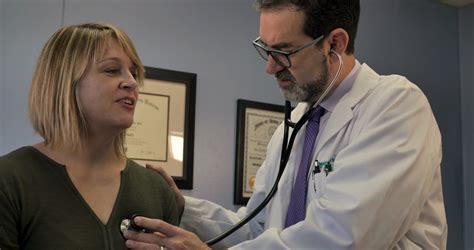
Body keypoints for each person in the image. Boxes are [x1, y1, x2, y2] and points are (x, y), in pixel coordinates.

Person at [124, 0, 448, 249]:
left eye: (283, 52)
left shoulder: (395, 105)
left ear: (334, 43)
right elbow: (258, 229)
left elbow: (344, 238)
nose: (269, 67)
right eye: (265, 49)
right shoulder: (294, 125)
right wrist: (183, 208)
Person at [0, 23, 179, 249]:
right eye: (112, 70)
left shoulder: (156, 190)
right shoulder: (10, 181)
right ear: (64, 81)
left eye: (133, 73)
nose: (132, 82)